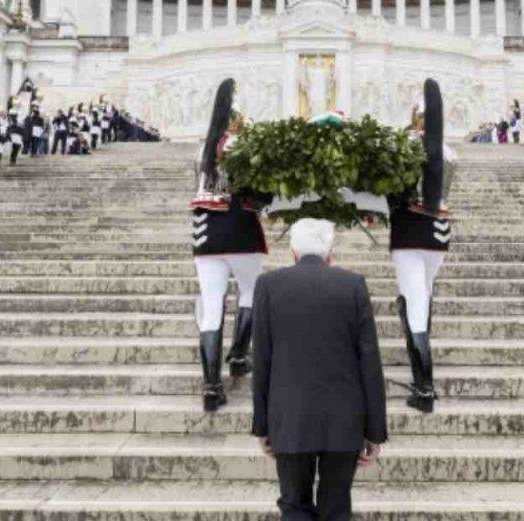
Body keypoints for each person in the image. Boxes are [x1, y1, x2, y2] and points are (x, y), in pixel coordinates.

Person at [252, 218, 387, 521]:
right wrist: (374, 430)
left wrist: (262, 425)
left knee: (294, 505)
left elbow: (262, 359)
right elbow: (369, 361)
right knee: (336, 508)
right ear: (330, 254)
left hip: (290, 416)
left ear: (293, 252)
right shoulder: (353, 285)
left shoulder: (268, 285)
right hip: (343, 420)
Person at [190, 79, 269, 412]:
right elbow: (257, 192)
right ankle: (238, 354)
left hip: (206, 233)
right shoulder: (242, 147)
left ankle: (211, 386)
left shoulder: (202, 148)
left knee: (211, 305)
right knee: (249, 292)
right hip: (240, 229)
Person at [389, 78, 456, 414]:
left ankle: (424, 386)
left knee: (415, 303)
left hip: (408, 232)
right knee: (423, 297)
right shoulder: (447, 151)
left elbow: (393, 191)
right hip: (439, 233)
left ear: (415, 117)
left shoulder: (405, 146)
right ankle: (422, 380)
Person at [7, 97, 24, 166]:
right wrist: (18, 123)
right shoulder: (12, 110)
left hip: (19, 129)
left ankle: (13, 160)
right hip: (14, 129)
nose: (20, 104)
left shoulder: (19, 111)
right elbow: (13, 120)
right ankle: (12, 160)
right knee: (16, 144)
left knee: (18, 145)